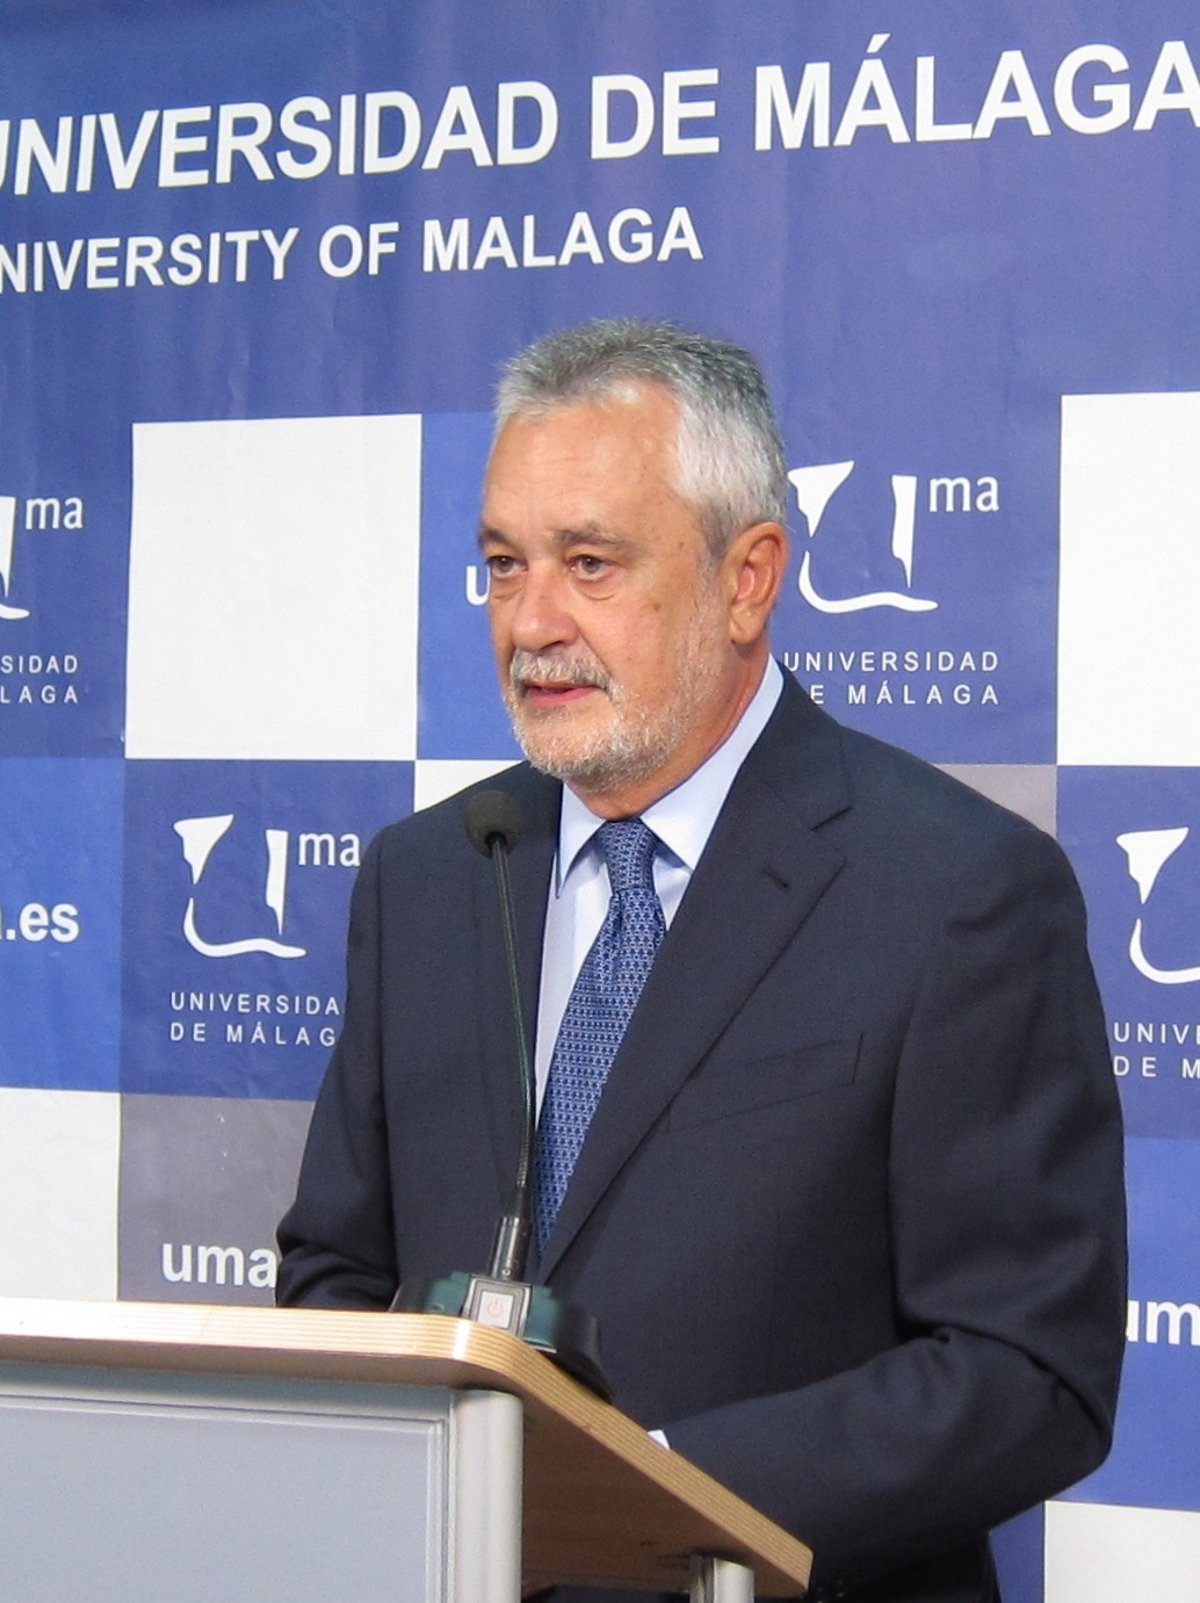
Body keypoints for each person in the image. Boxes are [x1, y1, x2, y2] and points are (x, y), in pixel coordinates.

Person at [277, 319, 1126, 1603]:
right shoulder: (429, 875)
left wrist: (652, 1491)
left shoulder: (956, 891)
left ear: (748, 579)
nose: (531, 622)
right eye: (504, 565)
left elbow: (1028, 1370)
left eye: (590, 563)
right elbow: (333, 1272)